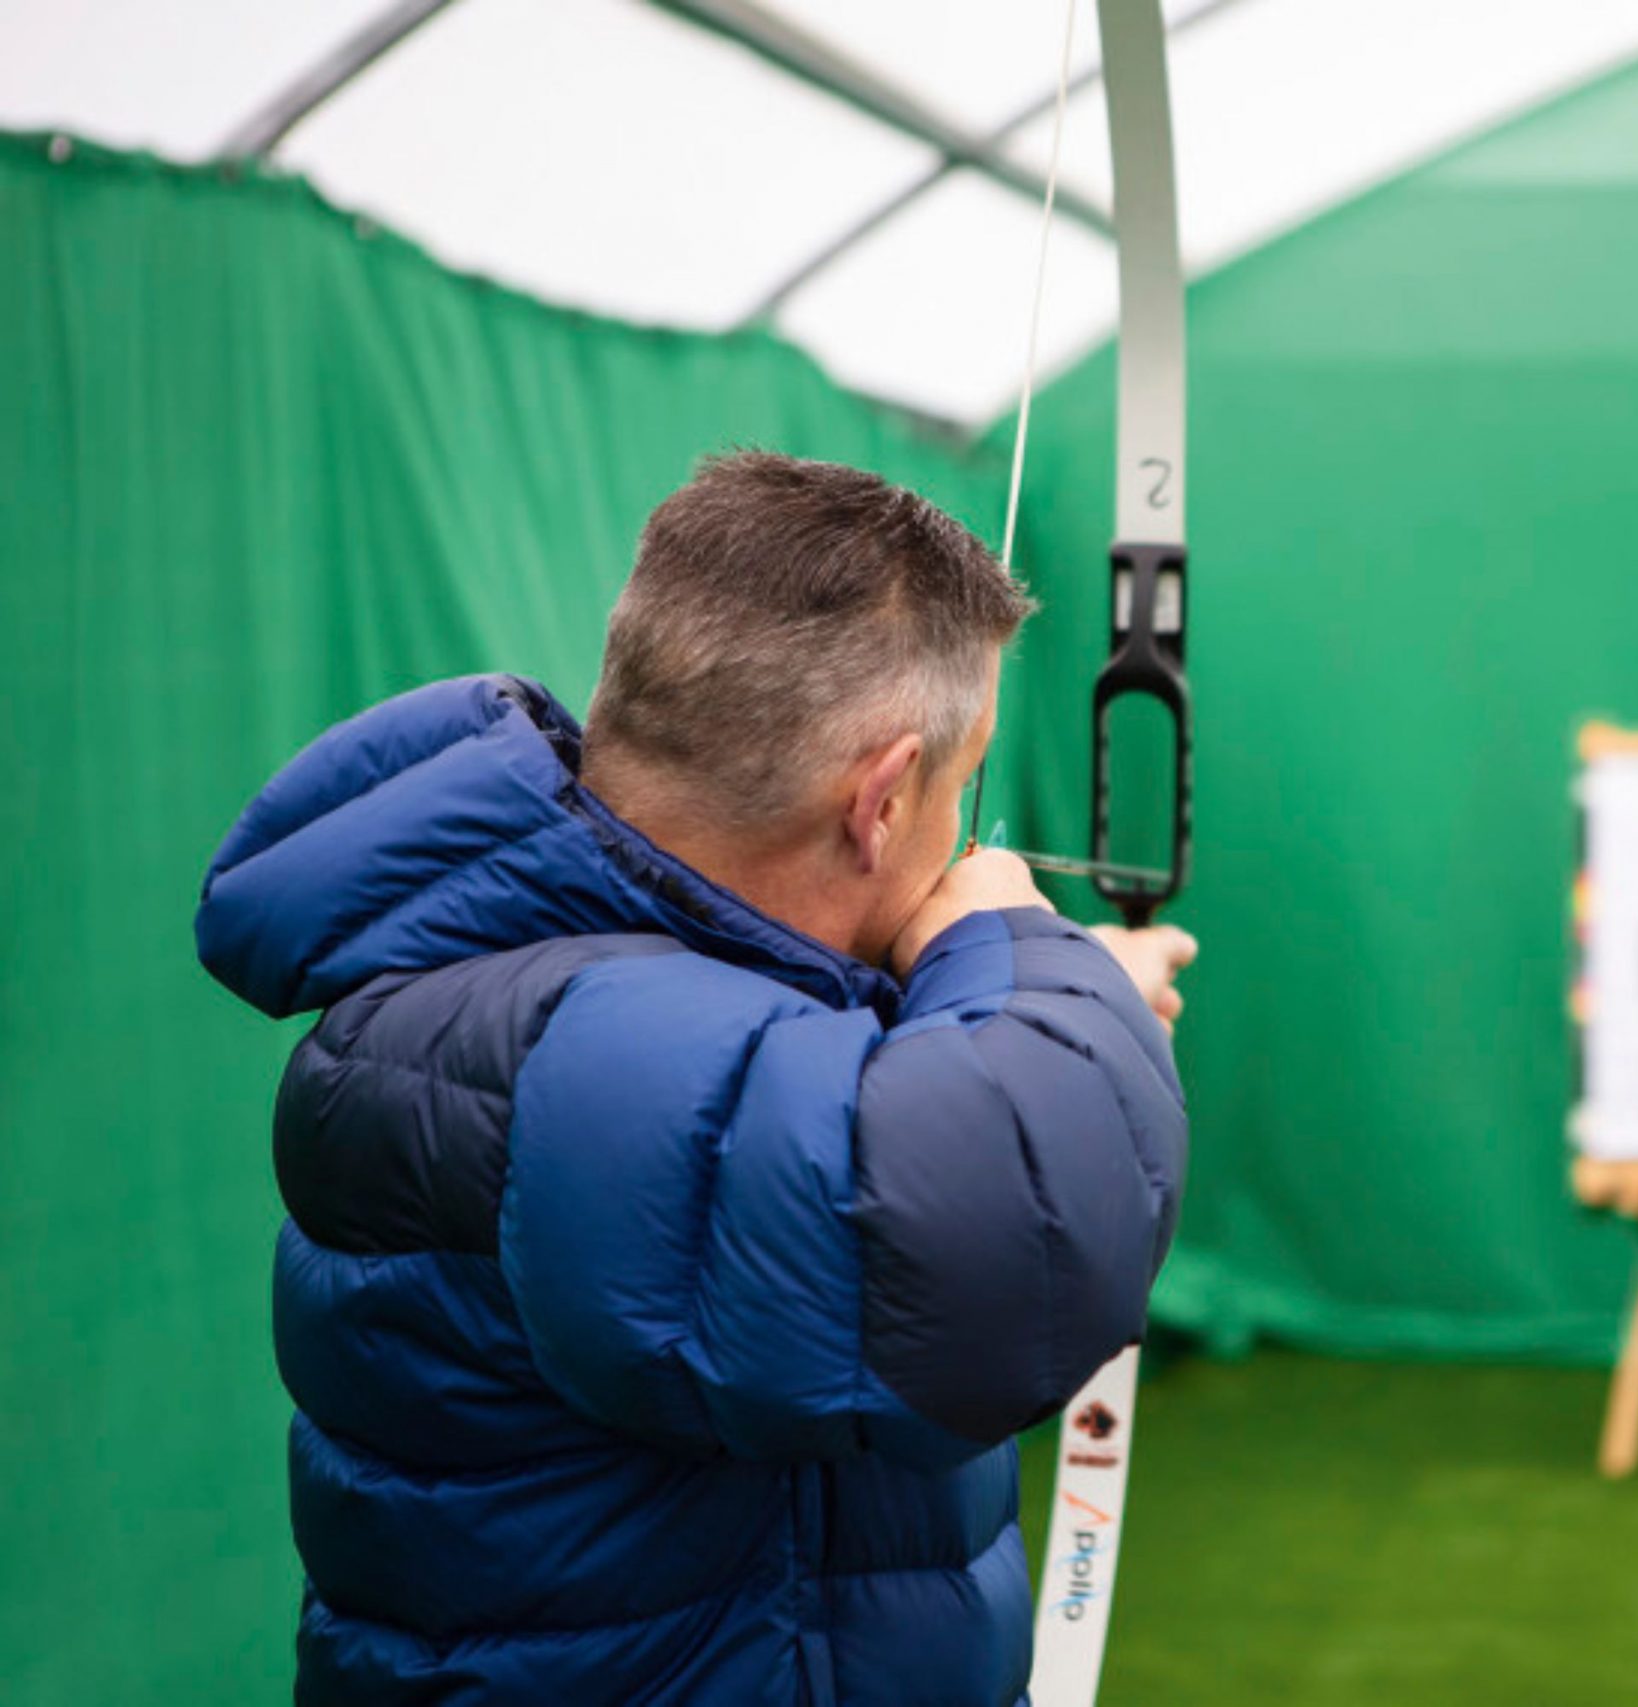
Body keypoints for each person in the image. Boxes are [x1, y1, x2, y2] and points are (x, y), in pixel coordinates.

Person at [194, 451, 1195, 1705]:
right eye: (960, 784)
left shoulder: (609, 991)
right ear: (883, 800)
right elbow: (990, 1241)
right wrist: (1024, 962)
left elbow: (806, 1088)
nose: (961, 835)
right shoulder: (574, 1046)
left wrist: (1041, 999)